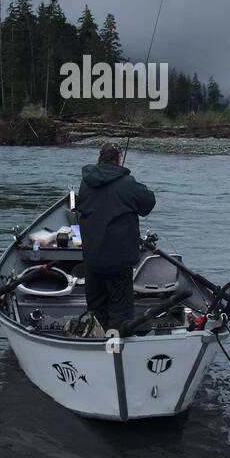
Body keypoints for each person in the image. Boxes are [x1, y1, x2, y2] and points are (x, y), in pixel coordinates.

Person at [75, 142, 155, 337]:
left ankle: (97, 343)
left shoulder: (86, 182)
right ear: (118, 160)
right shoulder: (127, 183)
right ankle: (117, 349)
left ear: (99, 158)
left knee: (96, 308)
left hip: (92, 257)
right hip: (119, 261)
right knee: (120, 311)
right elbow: (148, 203)